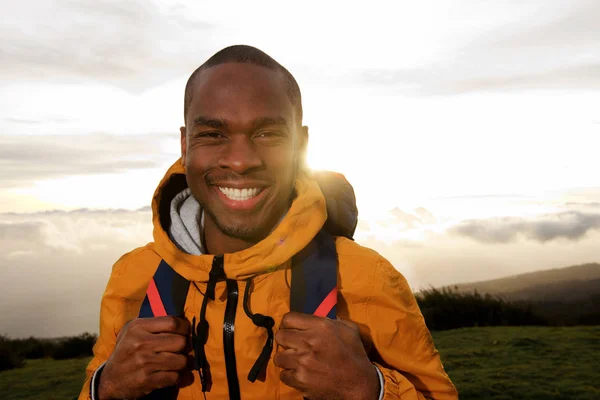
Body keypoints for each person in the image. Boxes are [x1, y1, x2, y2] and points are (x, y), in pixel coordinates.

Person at [79, 45, 458, 400]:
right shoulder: (132, 279)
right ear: (185, 144)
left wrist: (368, 389)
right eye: (213, 134)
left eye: (268, 134)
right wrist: (106, 386)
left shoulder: (366, 276)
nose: (241, 161)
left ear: (302, 145)